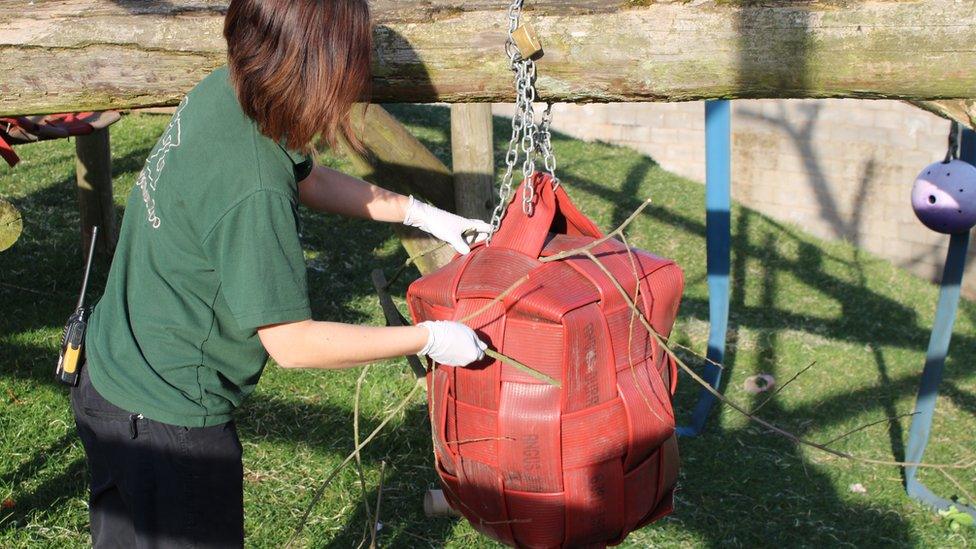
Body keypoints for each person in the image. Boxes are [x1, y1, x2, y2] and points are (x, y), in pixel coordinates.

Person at [70, 0, 489, 546]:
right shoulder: (255, 188)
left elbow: (308, 179)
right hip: (167, 426)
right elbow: (293, 343)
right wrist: (430, 337)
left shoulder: (228, 90)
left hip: (106, 374)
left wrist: (424, 214)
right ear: (323, 68)